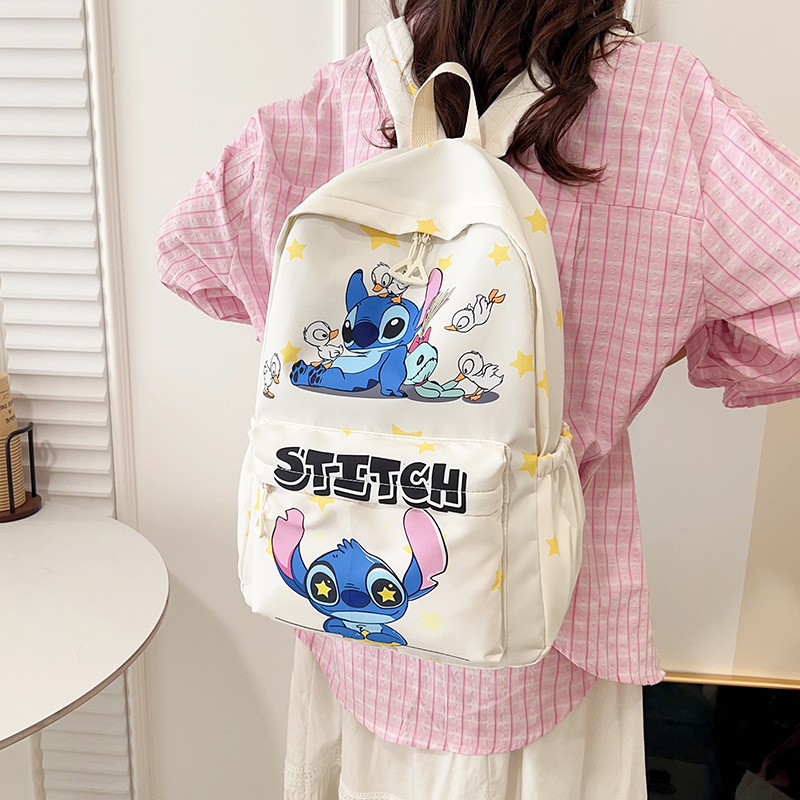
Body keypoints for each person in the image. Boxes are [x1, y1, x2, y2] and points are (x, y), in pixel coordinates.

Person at [156, 1, 800, 798]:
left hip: (352, 623)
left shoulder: (348, 97)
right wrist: (682, 348)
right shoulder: (667, 108)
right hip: (541, 628)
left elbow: (187, 253)